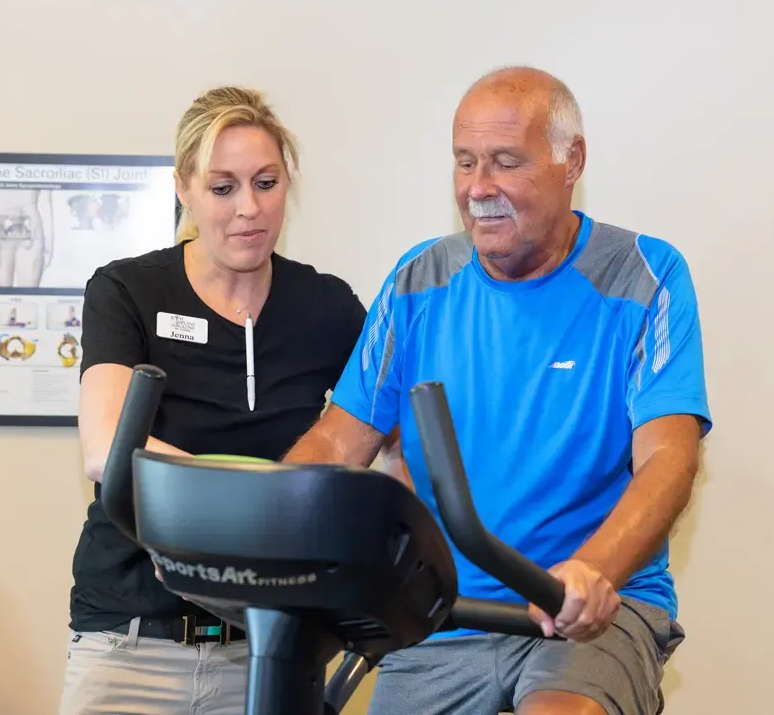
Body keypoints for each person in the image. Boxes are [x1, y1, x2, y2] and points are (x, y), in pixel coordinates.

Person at [281, 66, 712, 715]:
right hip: (445, 613)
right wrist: (259, 520)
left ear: (573, 162)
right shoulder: (417, 279)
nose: (478, 188)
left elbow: (668, 457)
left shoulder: (643, 276)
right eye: (464, 162)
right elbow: (337, 441)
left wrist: (592, 572)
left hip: (586, 612)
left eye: (506, 162)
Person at [58, 85, 392, 715]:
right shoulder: (127, 290)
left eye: (266, 182)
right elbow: (107, 449)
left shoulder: (326, 306)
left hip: (269, 649)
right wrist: (257, 508)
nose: (248, 208)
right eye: (223, 187)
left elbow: (394, 446)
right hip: (132, 641)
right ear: (184, 188)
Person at [0, 188, 54, 287]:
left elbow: (46, 202)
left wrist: (49, 245)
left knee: (29, 290)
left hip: (31, 225)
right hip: (7, 223)